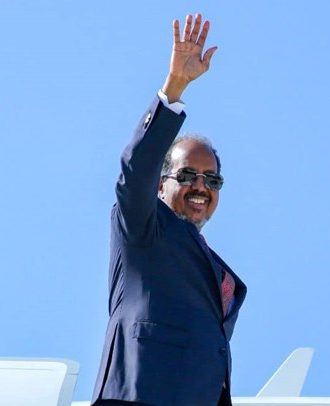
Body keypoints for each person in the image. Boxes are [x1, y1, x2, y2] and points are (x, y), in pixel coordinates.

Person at [91, 14, 247, 406]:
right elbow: (136, 171)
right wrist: (174, 86)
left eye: (212, 180)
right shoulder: (143, 229)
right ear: (161, 185)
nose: (201, 187)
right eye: (188, 175)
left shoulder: (215, 268)